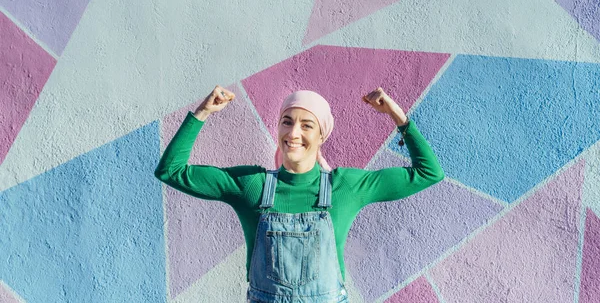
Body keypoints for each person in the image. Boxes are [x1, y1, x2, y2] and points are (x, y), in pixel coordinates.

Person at [155, 85, 444, 302]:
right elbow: (170, 171)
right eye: (287, 121)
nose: (293, 133)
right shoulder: (250, 184)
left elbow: (428, 173)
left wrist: (398, 116)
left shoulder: (345, 186)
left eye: (307, 125)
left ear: (321, 136)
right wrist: (202, 113)